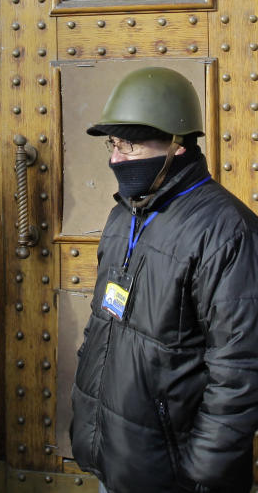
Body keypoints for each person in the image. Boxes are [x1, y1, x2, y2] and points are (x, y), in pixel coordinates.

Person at [70, 67, 258, 493]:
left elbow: (240, 371)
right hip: (118, 460)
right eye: (114, 144)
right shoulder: (123, 215)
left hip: (176, 477)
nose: (116, 158)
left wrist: (202, 474)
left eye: (131, 145)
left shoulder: (227, 232)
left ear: (177, 146)